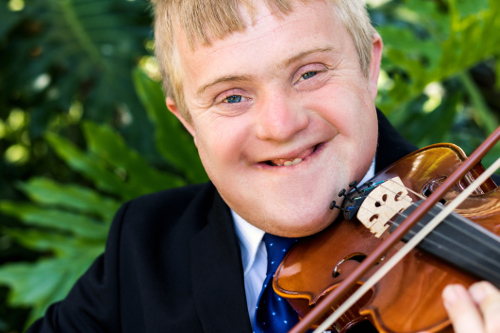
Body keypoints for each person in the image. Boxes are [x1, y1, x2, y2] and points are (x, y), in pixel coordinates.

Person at [27, 0, 500, 332]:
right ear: (188, 120)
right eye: (232, 96)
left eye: (309, 72)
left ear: (369, 66)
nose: (280, 125)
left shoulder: (485, 217)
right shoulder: (142, 245)